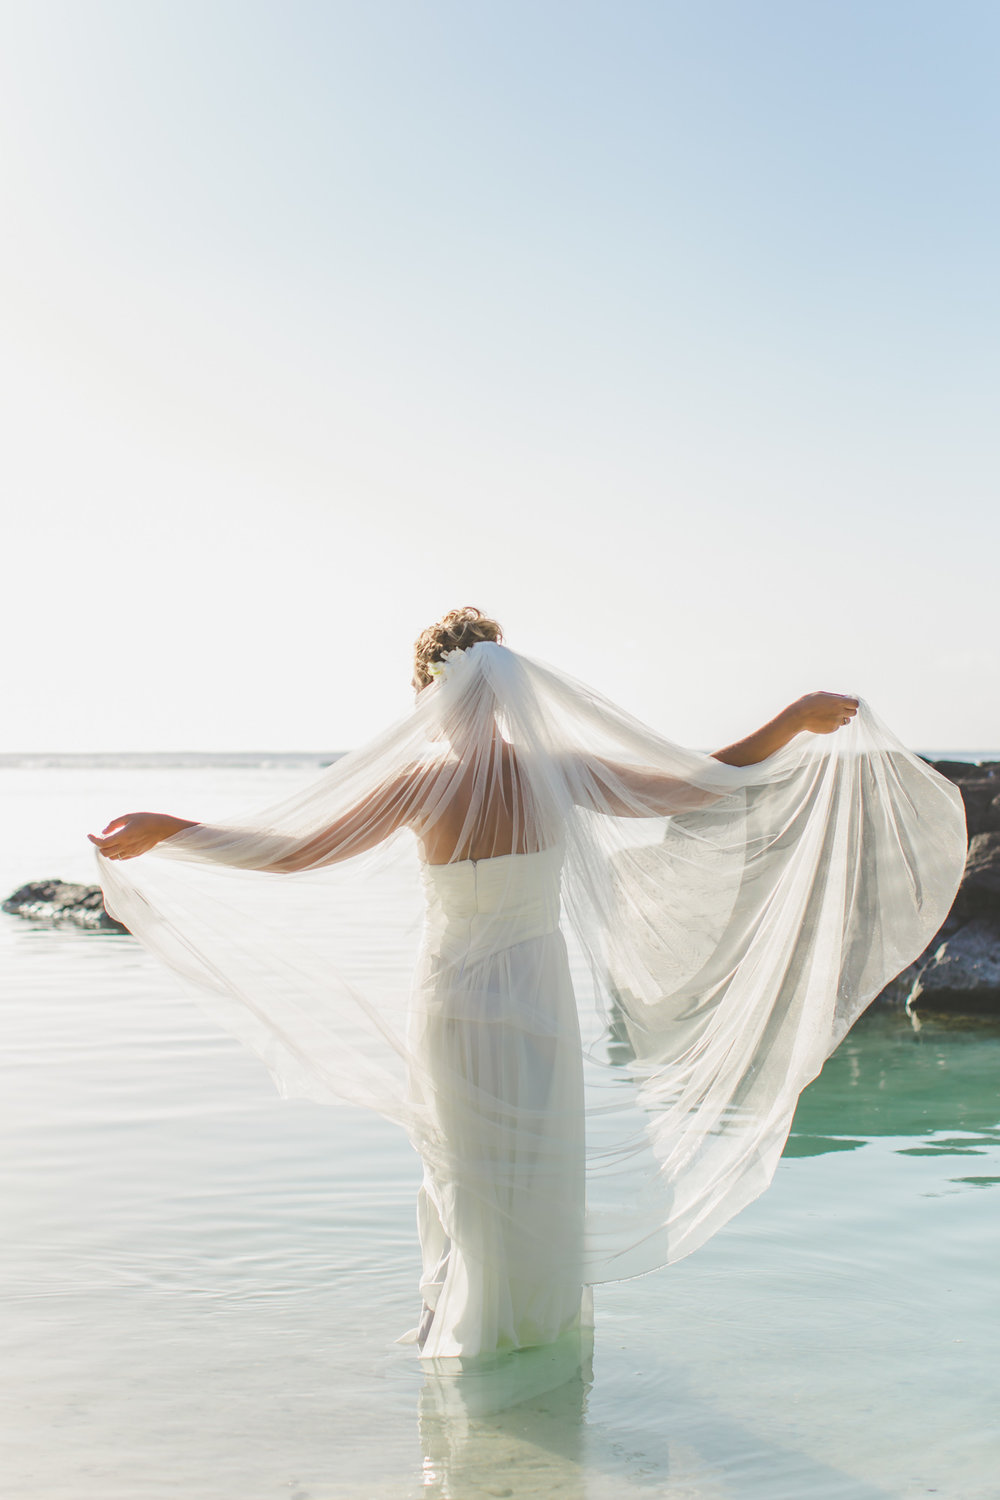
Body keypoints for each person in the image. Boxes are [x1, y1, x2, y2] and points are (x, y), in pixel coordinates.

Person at [90, 607, 967, 1361]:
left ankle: (467, 1328)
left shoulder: (420, 781)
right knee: (540, 1164)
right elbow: (696, 786)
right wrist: (788, 720)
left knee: (465, 1166)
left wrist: (174, 829)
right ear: (507, 684)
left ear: (427, 695)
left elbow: (290, 854)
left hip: (454, 996)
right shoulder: (555, 769)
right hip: (539, 990)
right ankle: (539, 1335)